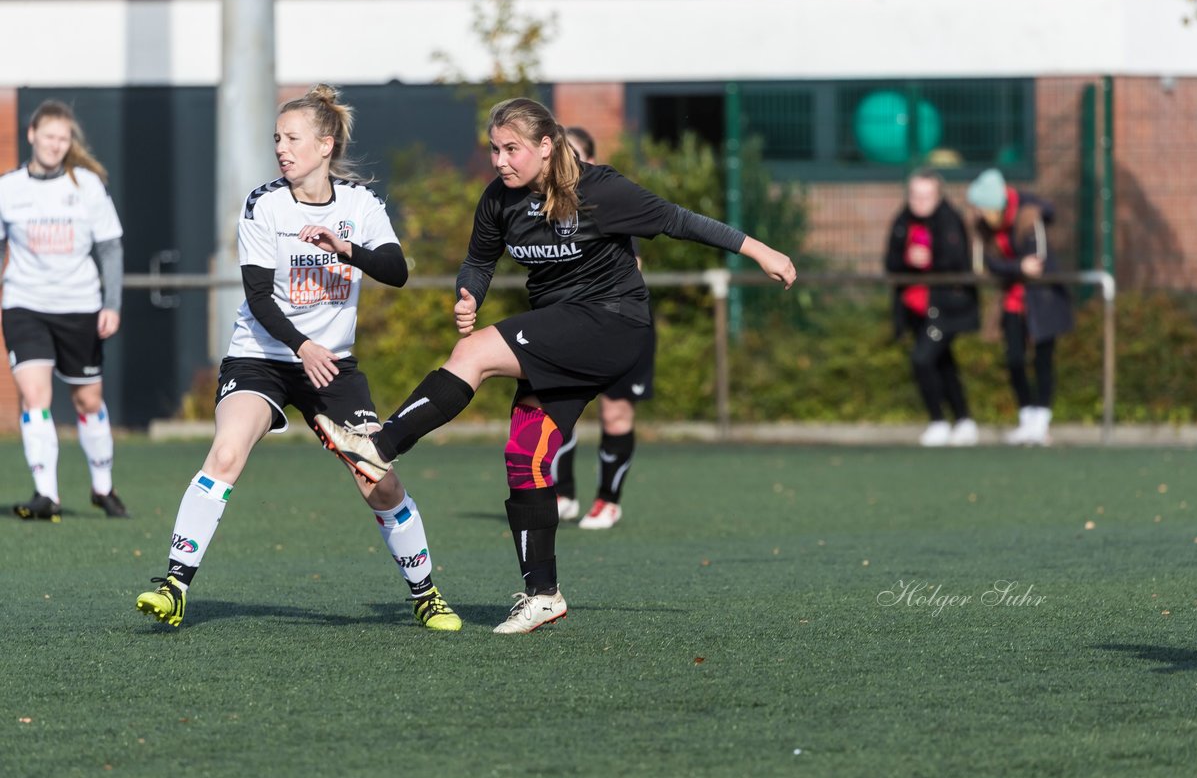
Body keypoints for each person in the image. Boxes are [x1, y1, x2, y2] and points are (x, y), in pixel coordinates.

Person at [315, 96, 797, 634]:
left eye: (512, 149)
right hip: (564, 328)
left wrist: (763, 252)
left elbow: (680, 221)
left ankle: (379, 446)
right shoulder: (500, 199)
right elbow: (479, 260)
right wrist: (469, 293)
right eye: (494, 149)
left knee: (473, 356)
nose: (500, 160)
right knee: (525, 455)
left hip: (612, 323)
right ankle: (543, 594)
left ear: (547, 147)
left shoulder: (599, 189)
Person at [135, 84, 460, 631]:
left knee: (377, 478)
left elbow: (397, 271)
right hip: (261, 356)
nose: (282, 149)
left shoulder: (361, 204)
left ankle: (425, 594)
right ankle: (174, 586)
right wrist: (301, 345)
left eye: (292, 139)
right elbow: (258, 298)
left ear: (325, 144)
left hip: (332, 365)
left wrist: (344, 248)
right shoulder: (265, 202)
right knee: (226, 453)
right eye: (277, 139)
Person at [0, 100, 129, 522]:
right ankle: (46, 495)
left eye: (63, 138)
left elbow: (110, 247)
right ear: (32, 134)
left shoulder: (87, 185)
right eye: (49, 136)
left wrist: (111, 305)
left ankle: (103, 488)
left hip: (80, 306)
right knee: (35, 395)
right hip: (25, 304)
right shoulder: (9, 188)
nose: (56, 145)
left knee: (88, 400)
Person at [550, 125, 656, 529]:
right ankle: (563, 495)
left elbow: (634, 268)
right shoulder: (539, 210)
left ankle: (608, 501)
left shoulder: (608, 205)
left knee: (615, 416)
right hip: (567, 325)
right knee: (557, 411)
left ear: (588, 162)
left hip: (616, 325)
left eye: (571, 155)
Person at [966, 167, 1073, 446]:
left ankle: (1042, 419)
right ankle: (1027, 417)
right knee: (1014, 358)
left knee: (1043, 358)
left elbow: (1035, 264)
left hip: (1041, 298)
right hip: (1011, 299)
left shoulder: (1028, 217)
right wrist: (1016, 267)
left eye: (980, 207)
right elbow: (988, 265)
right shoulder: (983, 227)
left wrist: (1011, 267)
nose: (976, 213)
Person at [884, 168, 980, 447]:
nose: (919, 201)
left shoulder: (950, 221)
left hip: (946, 306)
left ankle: (938, 420)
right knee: (943, 362)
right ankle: (963, 419)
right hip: (915, 308)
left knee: (922, 359)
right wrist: (907, 260)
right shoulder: (902, 221)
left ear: (937, 196)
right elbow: (890, 262)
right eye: (914, 195)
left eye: (926, 196)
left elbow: (958, 261)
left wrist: (929, 259)